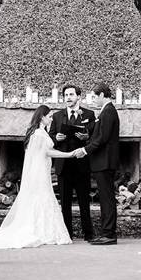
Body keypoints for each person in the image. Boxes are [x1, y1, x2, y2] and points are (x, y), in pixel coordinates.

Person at [0, 105, 74, 249]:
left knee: (42, 198)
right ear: (42, 117)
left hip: (41, 171)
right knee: (42, 197)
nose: (51, 119)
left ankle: (42, 229)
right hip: (39, 173)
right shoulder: (38, 134)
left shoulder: (39, 132)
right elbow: (48, 153)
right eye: (49, 116)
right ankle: (41, 230)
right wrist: (69, 154)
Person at [74, 83, 120, 245]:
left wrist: (85, 150)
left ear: (102, 95)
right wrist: (87, 137)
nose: (92, 100)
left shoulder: (108, 112)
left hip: (105, 162)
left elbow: (103, 139)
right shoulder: (105, 111)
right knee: (106, 197)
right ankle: (106, 233)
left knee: (107, 198)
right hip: (103, 161)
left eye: (94, 96)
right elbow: (98, 135)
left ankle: (109, 235)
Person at [49, 84, 96, 241]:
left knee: (84, 201)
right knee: (65, 203)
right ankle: (67, 234)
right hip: (64, 165)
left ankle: (88, 233)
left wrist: (86, 137)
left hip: (82, 164)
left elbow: (95, 136)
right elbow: (50, 138)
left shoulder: (89, 114)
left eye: (71, 95)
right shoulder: (57, 116)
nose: (68, 97)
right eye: (66, 95)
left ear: (78, 97)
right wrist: (56, 138)